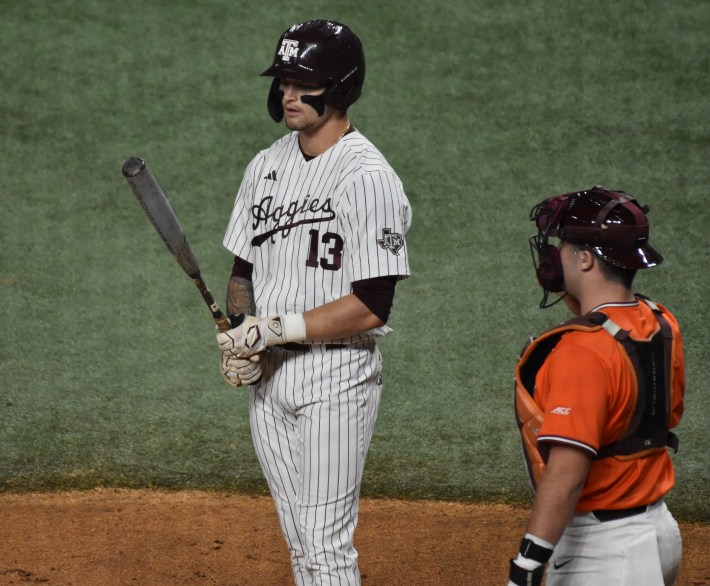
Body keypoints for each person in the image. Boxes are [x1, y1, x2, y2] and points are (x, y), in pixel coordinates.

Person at [215, 19, 412, 586]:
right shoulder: (266, 166)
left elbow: (374, 304)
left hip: (337, 377)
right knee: (300, 543)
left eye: (304, 82)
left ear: (342, 88)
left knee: (325, 548)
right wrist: (240, 335)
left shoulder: (369, 178)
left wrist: (273, 329)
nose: (289, 94)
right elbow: (242, 271)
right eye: (283, 81)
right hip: (270, 384)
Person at [509, 186, 685, 586]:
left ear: (585, 259)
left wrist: (528, 562)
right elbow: (604, 316)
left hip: (604, 552)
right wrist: (566, 284)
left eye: (563, 246)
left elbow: (567, 473)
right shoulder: (660, 322)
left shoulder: (581, 353)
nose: (554, 254)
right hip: (658, 532)